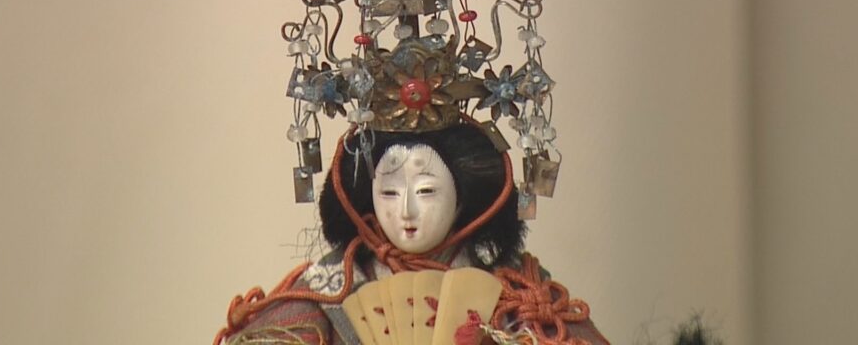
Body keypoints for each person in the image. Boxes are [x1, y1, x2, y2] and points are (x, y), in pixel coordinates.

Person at [214, 123, 610, 345]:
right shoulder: (329, 287)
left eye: (426, 191)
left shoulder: (516, 292)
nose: (405, 210)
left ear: (463, 200)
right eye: (388, 192)